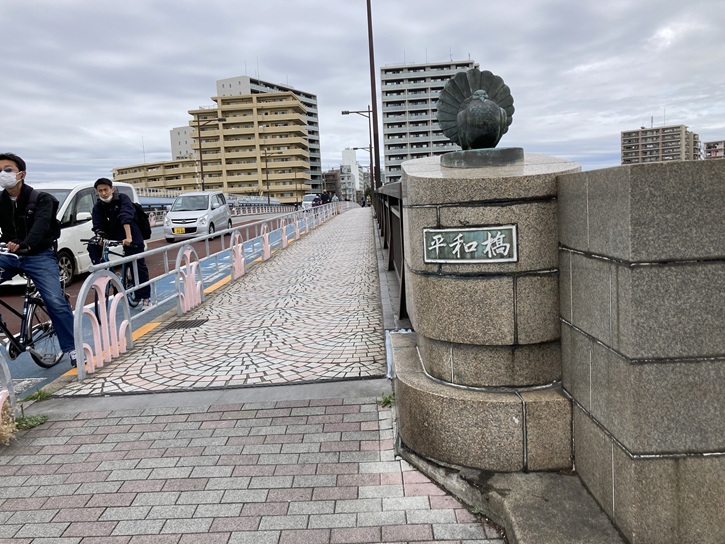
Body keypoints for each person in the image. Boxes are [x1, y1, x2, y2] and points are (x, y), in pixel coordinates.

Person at [0, 153, 78, 366]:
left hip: (38, 254)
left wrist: (26, 243)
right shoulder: (0, 201)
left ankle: (73, 348)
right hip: (10, 255)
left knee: (55, 301)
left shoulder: (42, 199)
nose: (2, 174)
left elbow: (41, 226)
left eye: (7, 170)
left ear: (21, 174)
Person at [88, 178, 151, 308]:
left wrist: (128, 237)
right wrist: (100, 237)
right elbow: (98, 224)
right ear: (97, 192)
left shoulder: (123, 198)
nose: (103, 193)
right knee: (92, 244)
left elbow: (126, 216)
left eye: (106, 190)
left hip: (131, 234)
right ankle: (102, 273)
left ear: (112, 189)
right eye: (100, 191)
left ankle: (145, 298)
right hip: (114, 234)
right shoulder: (98, 206)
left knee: (137, 265)